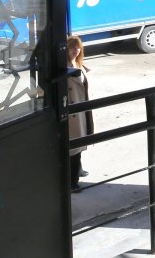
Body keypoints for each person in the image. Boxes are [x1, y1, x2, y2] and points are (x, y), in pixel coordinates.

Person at [66, 35, 93, 193]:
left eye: (78, 47)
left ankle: (78, 170)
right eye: (72, 47)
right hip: (73, 112)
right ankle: (72, 182)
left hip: (81, 109)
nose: (75, 50)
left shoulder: (78, 63)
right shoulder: (65, 67)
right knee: (74, 147)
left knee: (80, 143)